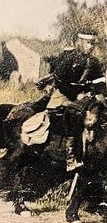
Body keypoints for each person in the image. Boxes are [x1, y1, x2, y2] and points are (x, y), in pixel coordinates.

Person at [44, 29, 106, 172]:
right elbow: (60, 81)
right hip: (63, 95)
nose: (91, 47)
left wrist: (100, 93)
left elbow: (100, 81)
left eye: (93, 44)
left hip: (83, 96)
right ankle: (71, 156)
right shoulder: (69, 58)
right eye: (88, 43)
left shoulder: (94, 62)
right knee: (74, 112)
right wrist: (76, 94)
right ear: (80, 42)